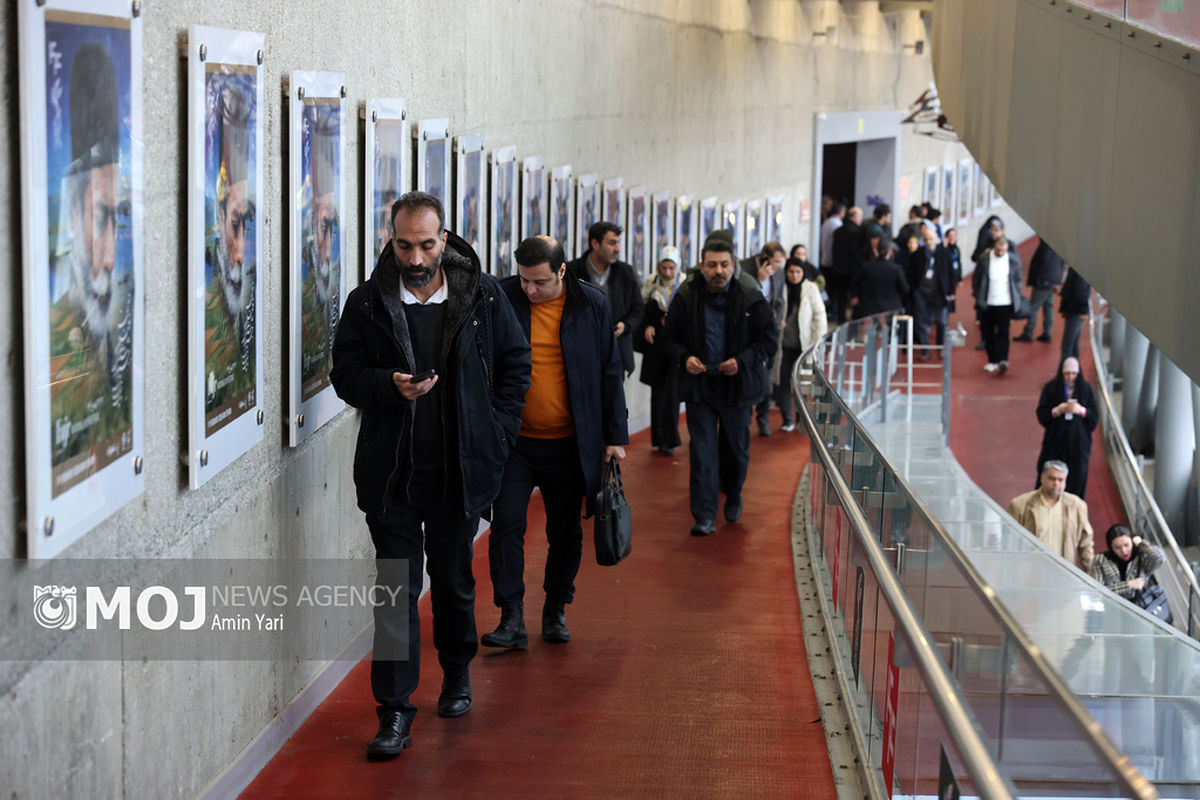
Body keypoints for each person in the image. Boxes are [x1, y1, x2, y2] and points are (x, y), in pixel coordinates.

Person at [330, 191, 531, 759]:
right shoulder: (367, 302)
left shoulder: (484, 297)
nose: (415, 258)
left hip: (458, 474)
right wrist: (385, 386)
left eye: (424, 245)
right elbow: (344, 374)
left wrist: (498, 434)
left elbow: (515, 367)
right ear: (389, 240)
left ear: (444, 239)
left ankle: (457, 670)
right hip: (393, 476)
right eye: (403, 245)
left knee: (453, 584)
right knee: (395, 593)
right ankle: (393, 711)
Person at [484, 235, 629, 649]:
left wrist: (615, 435)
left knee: (564, 531)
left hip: (570, 443)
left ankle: (556, 607)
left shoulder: (590, 304)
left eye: (540, 282)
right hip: (514, 442)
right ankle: (511, 616)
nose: (530, 290)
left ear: (562, 271)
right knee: (506, 527)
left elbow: (609, 369)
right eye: (524, 280)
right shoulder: (504, 298)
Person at [662, 232, 777, 536]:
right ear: (701, 266)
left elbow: (768, 340)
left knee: (736, 450)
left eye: (724, 265)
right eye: (712, 265)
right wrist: (685, 357)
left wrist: (742, 361)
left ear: (733, 264)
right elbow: (669, 339)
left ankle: (734, 491)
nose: (718, 271)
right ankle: (704, 515)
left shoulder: (750, 296)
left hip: (737, 386)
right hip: (700, 387)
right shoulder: (686, 297)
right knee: (702, 451)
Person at [566, 221, 644, 377]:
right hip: (580, 352)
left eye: (618, 243)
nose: (617, 249)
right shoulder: (571, 272)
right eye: (612, 243)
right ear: (595, 243)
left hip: (616, 352)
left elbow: (638, 309)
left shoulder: (626, 273)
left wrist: (625, 325)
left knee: (612, 399)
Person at [1007, 460, 1095, 572]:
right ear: (1042, 478)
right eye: (1052, 478)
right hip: (1030, 571)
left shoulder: (1077, 506)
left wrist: (1092, 572)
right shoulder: (1020, 505)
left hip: (1063, 571)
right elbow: (1008, 541)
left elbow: (1085, 543)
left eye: (1060, 480)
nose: (1056, 483)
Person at [638, 246, 683, 453]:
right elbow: (640, 310)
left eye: (671, 268)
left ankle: (671, 440)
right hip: (656, 345)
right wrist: (647, 325)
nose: (667, 273)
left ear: (677, 267)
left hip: (676, 344)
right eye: (664, 268)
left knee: (672, 393)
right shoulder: (651, 283)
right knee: (657, 393)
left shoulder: (684, 284)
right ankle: (658, 439)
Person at [775, 258, 827, 431]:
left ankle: (801, 416)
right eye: (791, 271)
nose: (795, 275)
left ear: (803, 272)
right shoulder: (780, 287)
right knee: (782, 380)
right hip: (784, 344)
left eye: (798, 272)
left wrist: (816, 343)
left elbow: (819, 316)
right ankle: (787, 418)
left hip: (805, 345)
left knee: (802, 382)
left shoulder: (811, 289)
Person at [1035, 357, 1098, 498]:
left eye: (1073, 373)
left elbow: (1094, 419)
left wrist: (1081, 411)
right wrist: (1057, 410)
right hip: (1055, 442)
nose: (1070, 377)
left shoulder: (1086, 389)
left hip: (1078, 445)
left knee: (1077, 476)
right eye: (1067, 373)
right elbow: (1042, 414)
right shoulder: (1051, 388)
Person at [972, 235, 1022, 374]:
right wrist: (978, 295)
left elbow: (1018, 279)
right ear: (995, 247)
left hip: (1005, 303)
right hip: (987, 303)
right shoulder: (984, 259)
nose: (1001, 252)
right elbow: (977, 278)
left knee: (1003, 333)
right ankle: (992, 360)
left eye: (1003, 250)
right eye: (999, 250)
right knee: (987, 333)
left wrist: (1015, 297)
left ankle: (1003, 360)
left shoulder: (1012, 260)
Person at [907, 223, 954, 358]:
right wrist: (913, 291)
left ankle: (940, 348)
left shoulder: (944, 253)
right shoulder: (917, 255)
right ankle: (925, 350)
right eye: (926, 239)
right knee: (921, 322)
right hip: (921, 293)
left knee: (942, 322)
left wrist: (951, 291)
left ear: (936, 239)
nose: (928, 242)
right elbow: (910, 274)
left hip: (939, 293)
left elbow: (951, 273)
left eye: (931, 239)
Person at [1089, 524, 1166, 603]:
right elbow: (1097, 590)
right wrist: (1128, 585)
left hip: (1139, 606)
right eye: (1117, 547)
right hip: (1112, 605)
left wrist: (1141, 543)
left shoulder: (1141, 556)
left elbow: (1159, 558)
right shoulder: (1100, 560)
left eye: (1126, 545)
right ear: (1110, 547)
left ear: (1132, 542)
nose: (1124, 551)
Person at [1015, 239, 1064, 343]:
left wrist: (1040, 281)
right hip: (1053, 280)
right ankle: (1047, 333)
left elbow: (1043, 261)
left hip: (1044, 282)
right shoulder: (1059, 244)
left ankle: (1028, 331)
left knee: (1034, 306)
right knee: (1048, 306)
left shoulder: (1047, 244)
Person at [852, 242, 910, 319]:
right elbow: (905, 289)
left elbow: (855, 283)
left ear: (877, 251)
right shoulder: (896, 269)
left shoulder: (866, 266)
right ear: (891, 252)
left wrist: (855, 295)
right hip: (892, 309)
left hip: (869, 308)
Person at [829, 206, 862, 321]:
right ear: (855, 217)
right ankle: (853, 319)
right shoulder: (857, 232)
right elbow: (856, 253)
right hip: (852, 269)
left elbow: (833, 249)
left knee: (840, 295)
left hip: (838, 268)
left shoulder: (838, 231)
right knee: (854, 294)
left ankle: (841, 317)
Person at [1059, 266, 1092, 361]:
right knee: (1073, 346)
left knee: (1068, 346)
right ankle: (1073, 373)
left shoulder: (1079, 270)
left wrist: (1068, 308)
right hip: (1077, 310)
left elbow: (1079, 291)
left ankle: (1064, 374)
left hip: (1076, 311)